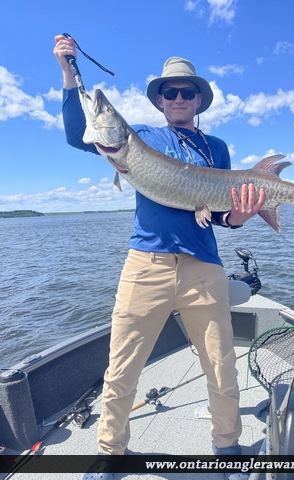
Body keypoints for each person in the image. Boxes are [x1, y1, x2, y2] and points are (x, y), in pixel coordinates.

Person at [53, 34, 266, 480]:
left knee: (221, 363)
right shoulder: (140, 138)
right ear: (160, 100)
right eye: (171, 92)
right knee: (122, 367)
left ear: (198, 100)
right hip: (145, 264)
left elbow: (224, 217)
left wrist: (242, 218)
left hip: (204, 267)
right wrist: (69, 72)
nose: (179, 98)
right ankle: (110, 454)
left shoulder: (217, 148)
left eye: (188, 92)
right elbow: (78, 133)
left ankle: (226, 445)